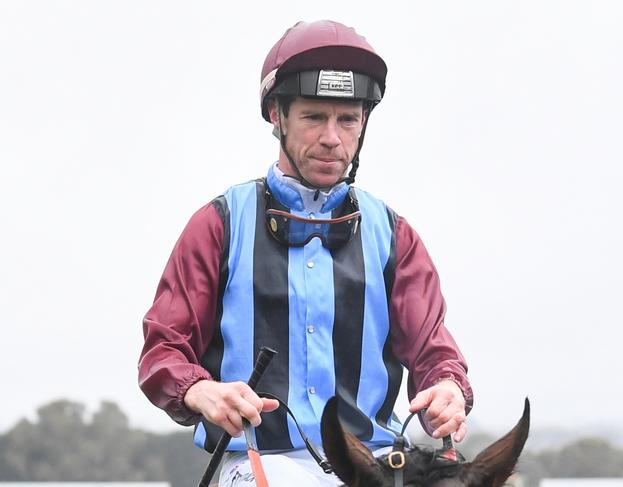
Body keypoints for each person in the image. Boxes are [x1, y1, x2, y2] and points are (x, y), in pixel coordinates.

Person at [138, 19, 473, 487]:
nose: (333, 138)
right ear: (277, 115)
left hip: (373, 462)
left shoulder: (394, 233)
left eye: (348, 119)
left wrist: (447, 388)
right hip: (256, 458)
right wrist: (199, 389)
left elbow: (433, 350)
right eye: (314, 117)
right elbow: (163, 350)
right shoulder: (218, 224)